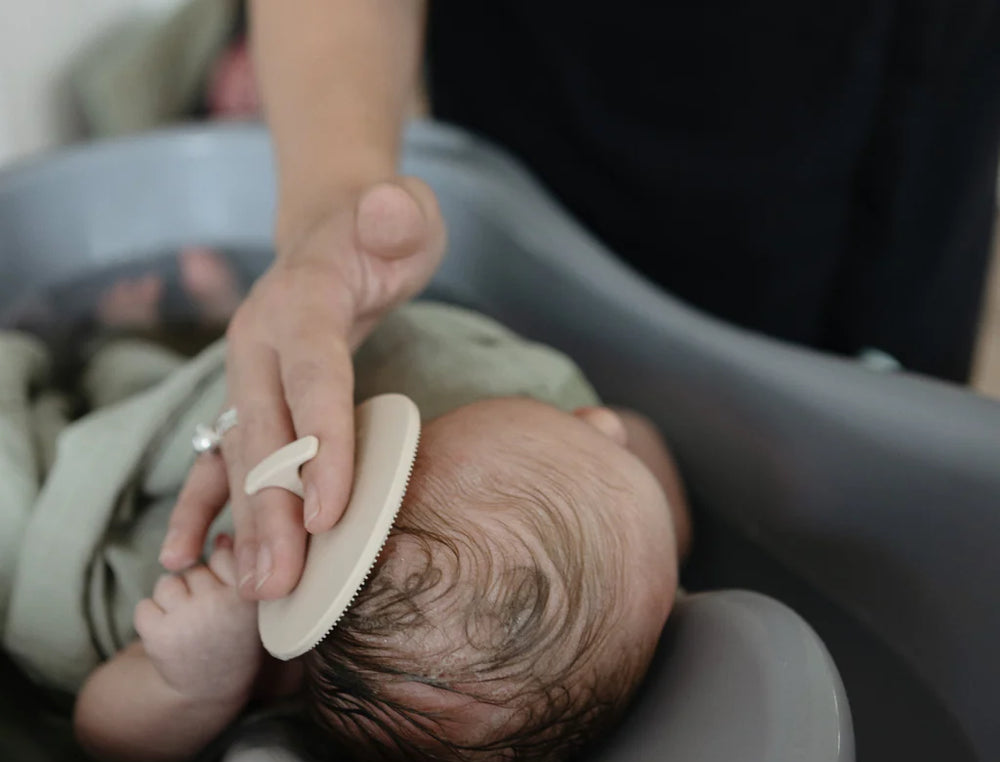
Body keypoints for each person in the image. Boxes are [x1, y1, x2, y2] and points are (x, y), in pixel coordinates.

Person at [161, 0, 1000, 630]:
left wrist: (192, 671)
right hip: (586, 149)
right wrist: (330, 206)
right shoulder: (548, 385)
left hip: (927, 95)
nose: (600, 428)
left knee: (892, 414)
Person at [0, 253, 688, 762]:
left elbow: (104, 738)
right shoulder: (639, 577)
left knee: (126, 391)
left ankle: (125, 338)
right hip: (235, 397)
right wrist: (639, 485)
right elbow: (639, 445)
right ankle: (206, 321)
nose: (601, 420)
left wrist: (193, 685)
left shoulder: (261, 659)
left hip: (162, 504)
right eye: (598, 438)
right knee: (255, 380)